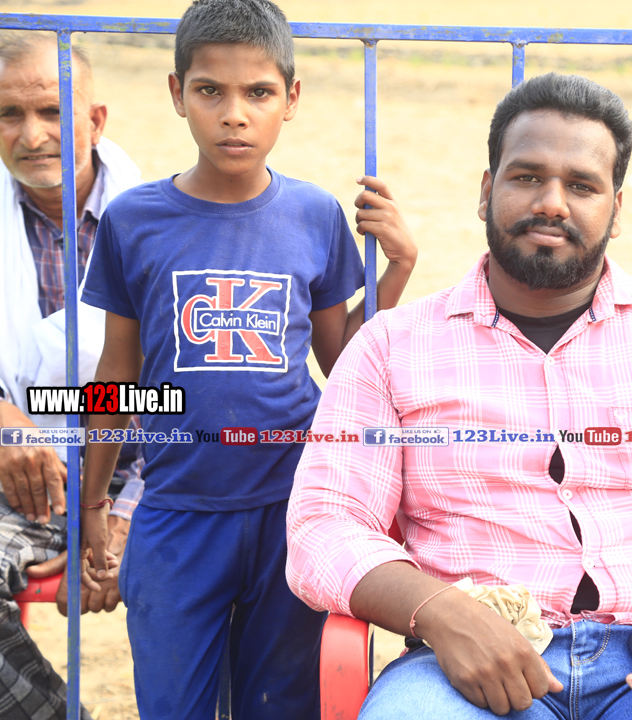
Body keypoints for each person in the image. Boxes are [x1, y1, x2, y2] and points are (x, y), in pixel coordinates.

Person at [287, 71, 632, 720]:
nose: (552, 203)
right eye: (527, 177)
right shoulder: (390, 348)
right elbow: (324, 524)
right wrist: (441, 612)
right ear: (486, 192)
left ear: (616, 210)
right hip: (463, 666)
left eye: (581, 186)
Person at [77, 0, 418, 718]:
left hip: (290, 508)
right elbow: (115, 375)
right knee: (172, 704)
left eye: (258, 92)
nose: (234, 114)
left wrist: (396, 270)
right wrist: (92, 501)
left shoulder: (315, 215)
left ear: (289, 99)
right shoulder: (133, 221)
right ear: (178, 94)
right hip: (176, 513)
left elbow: (343, 363)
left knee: (279, 703)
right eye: (211, 91)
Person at [0, 32, 144, 720]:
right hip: (15, 482)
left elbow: (201, 392)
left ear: (96, 119)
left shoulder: (164, 219)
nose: (32, 136)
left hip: (155, 477)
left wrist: (123, 514)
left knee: (247, 558)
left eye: (54, 111)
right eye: (9, 114)